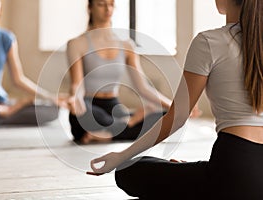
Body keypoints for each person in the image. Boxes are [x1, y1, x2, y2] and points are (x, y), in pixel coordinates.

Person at [89, 0, 263, 199]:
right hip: (248, 177)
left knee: (128, 170)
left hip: (233, 169)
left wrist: (120, 156)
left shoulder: (209, 41)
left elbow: (177, 117)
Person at [67, 0, 188, 144]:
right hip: (89, 106)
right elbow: (77, 84)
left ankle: (106, 132)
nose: (107, 9)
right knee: (80, 116)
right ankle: (129, 123)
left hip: (114, 107)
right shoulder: (76, 43)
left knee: (165, 118)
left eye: (111, 4)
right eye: (101, 4)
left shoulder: (126, 45)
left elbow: (143, 88)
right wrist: (76, 99)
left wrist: (175, 108)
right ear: (90, 8)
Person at [0, 0, 65, 127]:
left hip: (1, 102)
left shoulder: (7, 38)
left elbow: (18, 79)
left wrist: (49, 97)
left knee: (53, 110)